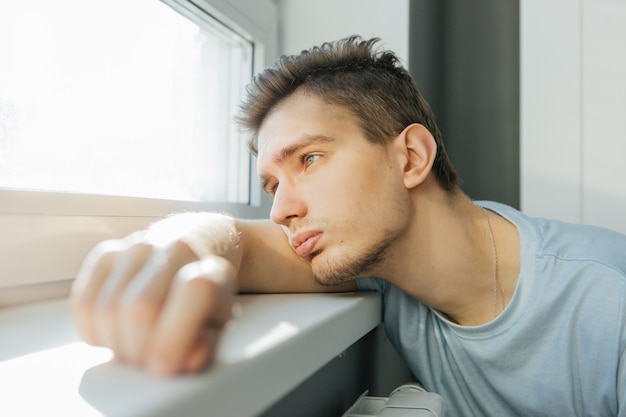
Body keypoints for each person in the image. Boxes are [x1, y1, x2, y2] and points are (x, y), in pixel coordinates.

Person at [70, 36, 626, 416]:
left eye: (308, 160)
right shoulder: (384, 267)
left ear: (410, 157)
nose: (281, 209)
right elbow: (237, 241)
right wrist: (177, 248)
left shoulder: (608, 306)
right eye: (272, 184)